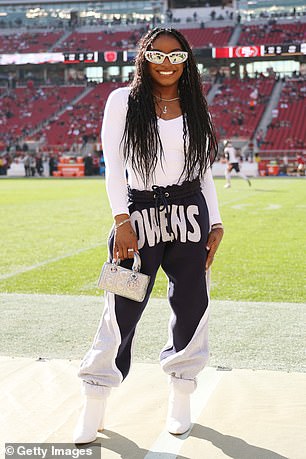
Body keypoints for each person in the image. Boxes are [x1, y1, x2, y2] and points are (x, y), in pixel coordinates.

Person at [73, 27, 224, 444]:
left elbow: (203, 170)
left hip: (190, 214)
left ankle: (180, 394)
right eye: (158, 54)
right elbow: (114, 164)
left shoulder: (196, 103)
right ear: (145, 56)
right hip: (138, 215)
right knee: (121, 307)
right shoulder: (122, 100)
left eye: (177, 57)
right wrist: (121, 220)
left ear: (186, 61)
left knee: (192, 304)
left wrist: (216, 221)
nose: (167, 64)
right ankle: (96, 399)